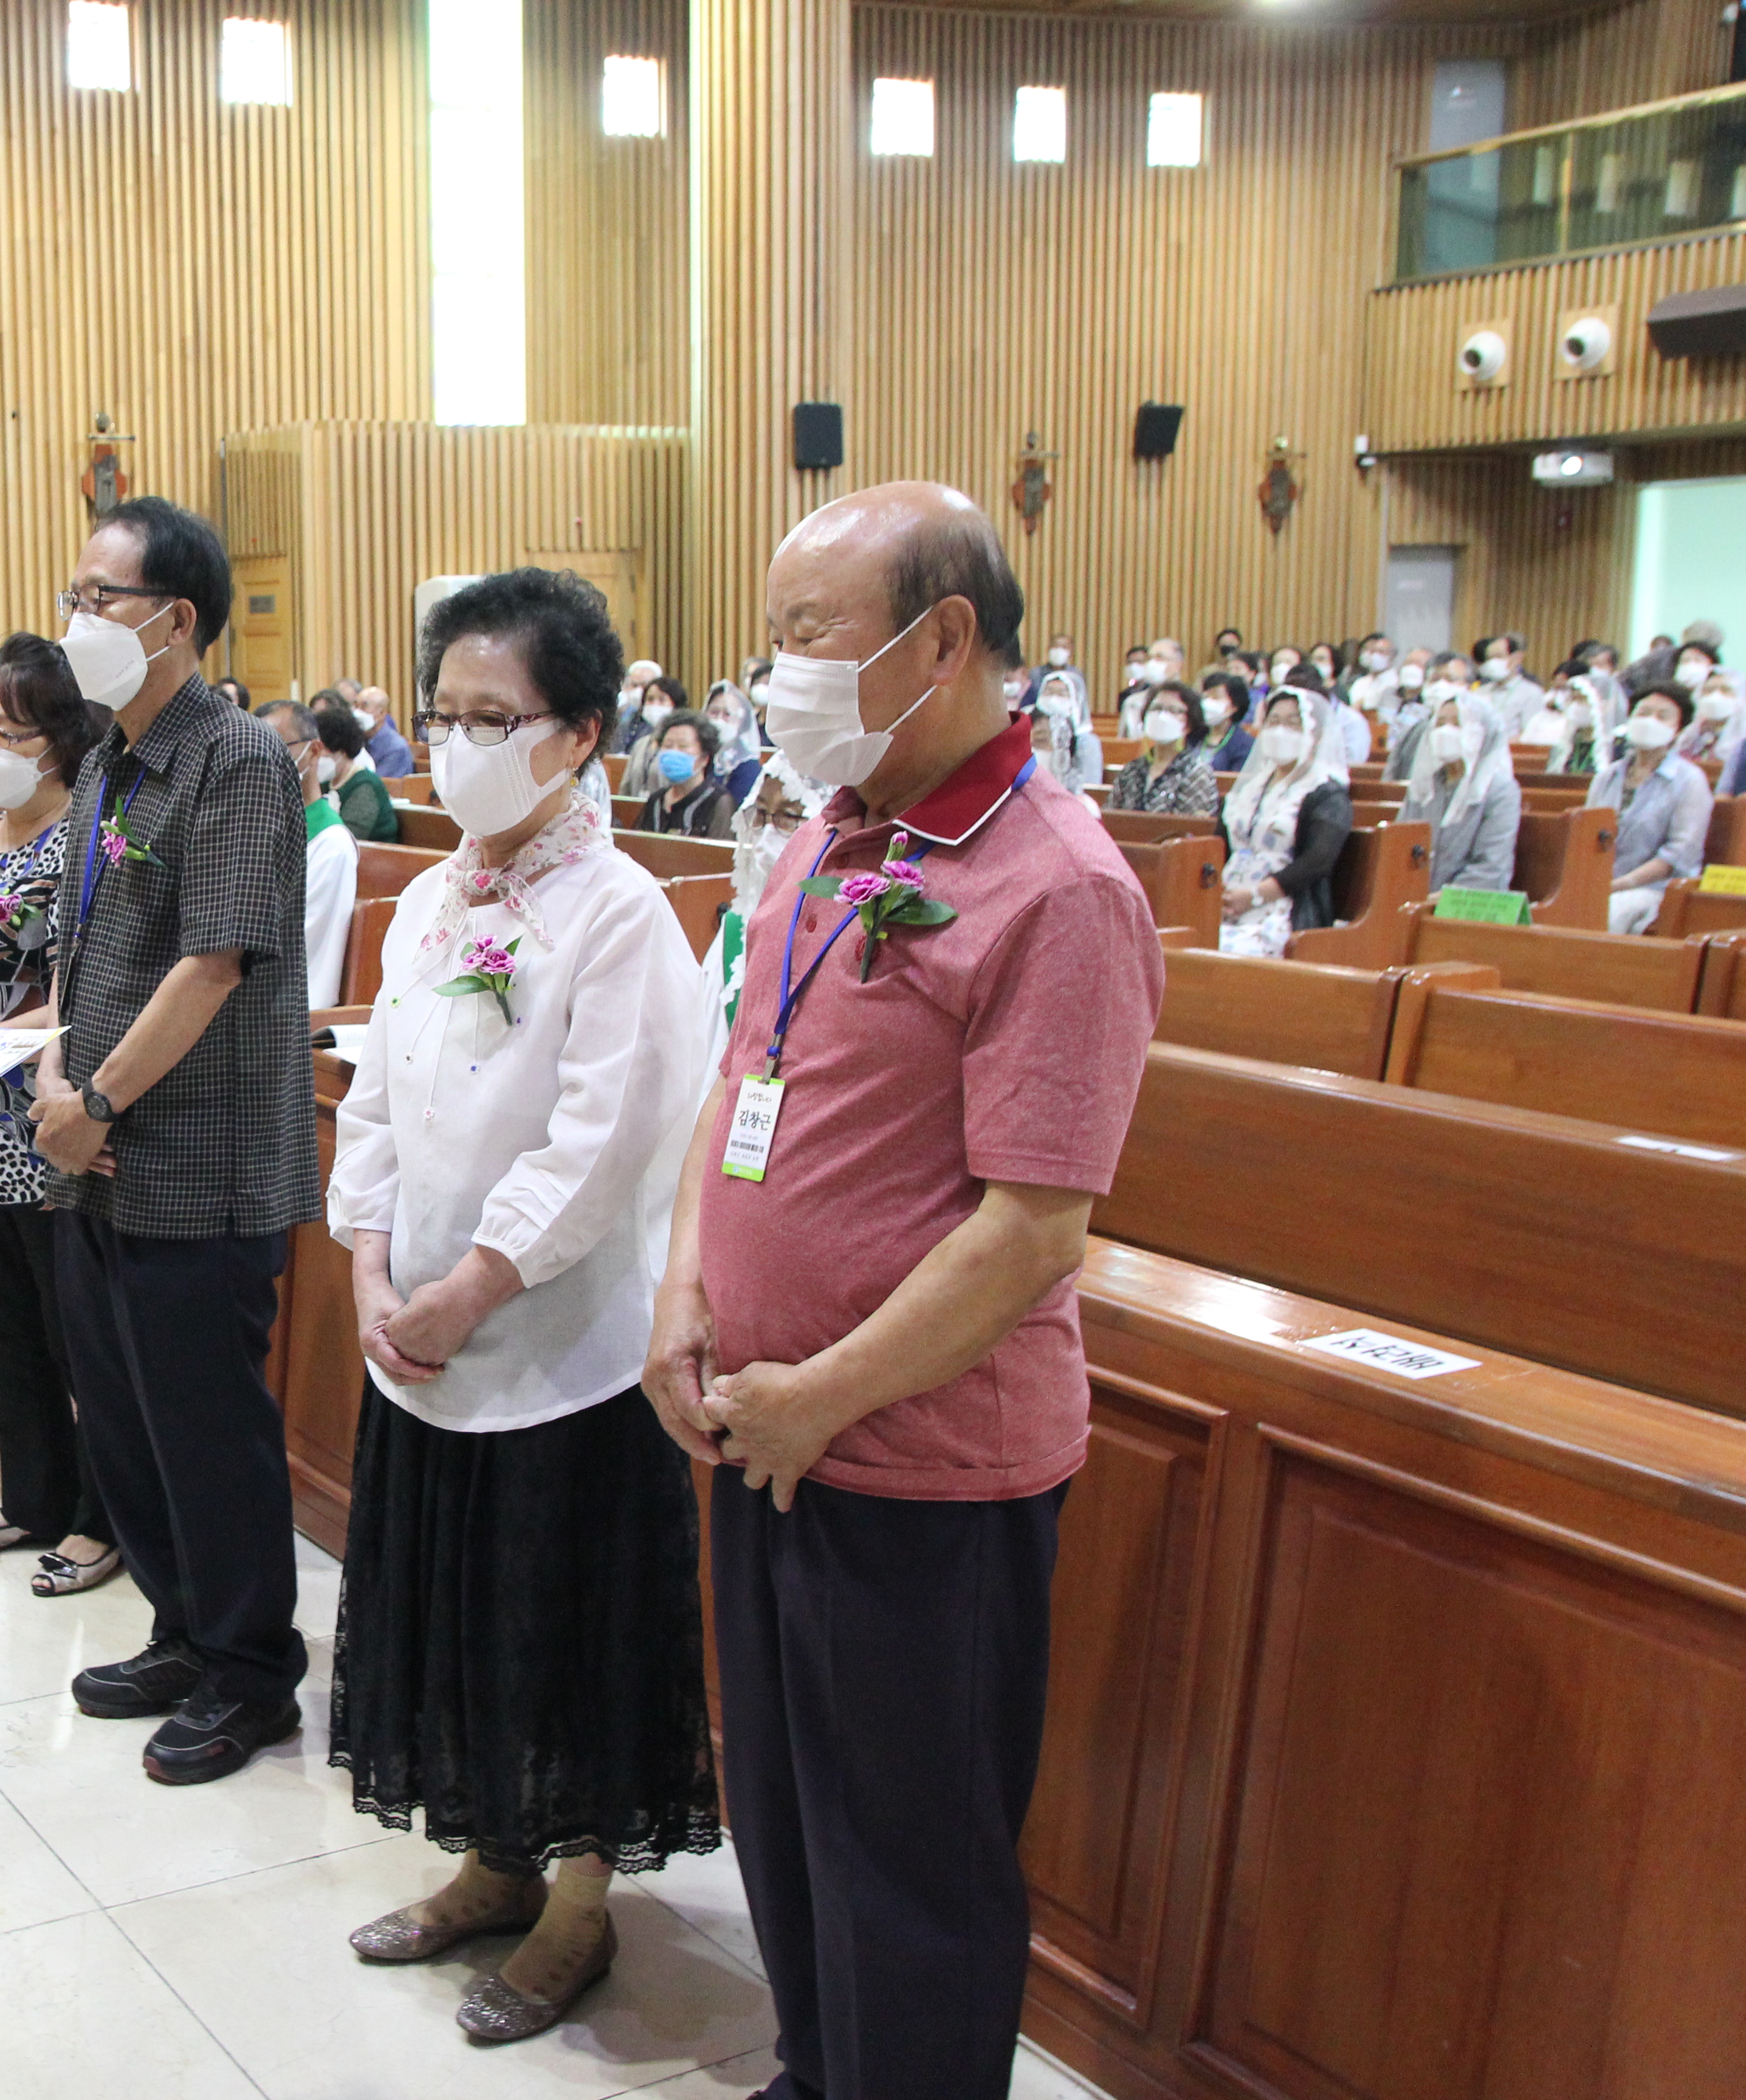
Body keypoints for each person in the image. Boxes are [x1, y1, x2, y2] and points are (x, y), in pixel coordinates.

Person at [648, 483, 1161, 2100]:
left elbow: (1029, 1231)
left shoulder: (1060, 887)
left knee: (912, 1869)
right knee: (791, 1824)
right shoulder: (834, 833)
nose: (776, 670)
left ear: (944, 641)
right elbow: (743, 1079)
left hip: (921, 1467)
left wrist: (824, 1393)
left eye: (809, 635)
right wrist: (683, 1289)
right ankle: (816, 2073)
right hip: (768, 1430)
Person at [325, 568, 718, 2047]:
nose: (459, 740)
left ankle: (574, 1900)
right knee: (454, 1617)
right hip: (420, 1331)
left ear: (580, 735)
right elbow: (370, 1087)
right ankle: (487, 1858)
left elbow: (604, 1138)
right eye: (444, 712)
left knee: (559, 1623)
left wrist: (471, 1284)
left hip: (554, 1346)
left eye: (497, 717)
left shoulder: (619, 912)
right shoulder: (429, 893)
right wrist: (370, 1266)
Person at [29, 496, 317, 1786]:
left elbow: (211, 965)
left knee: (208, 1429)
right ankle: (184, 1631)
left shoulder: (236, 760)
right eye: (77, 595)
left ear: (177, 619)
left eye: (102, 599)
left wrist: (94, 1104)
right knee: (128, 1423)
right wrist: (51, 1067)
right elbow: (81, 949)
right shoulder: (105, 759)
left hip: (192, 1163)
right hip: (97, 1154)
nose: (77, 619)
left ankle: (253, 1674)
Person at [0, 634, 120, 1594]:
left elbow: (90, 987)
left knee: (68, 1334)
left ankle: (99, 1517)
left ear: (58, 740)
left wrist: (0, 1041)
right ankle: (30, 1497)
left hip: (40, 1115)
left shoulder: (82, 839)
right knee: (5, 1327)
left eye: (7, 730)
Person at [1216, 688, 1353, 955]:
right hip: (1227, 899)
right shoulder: (1251, 787)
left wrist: (1255, 895)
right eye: (1274, 722)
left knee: (1223, 951)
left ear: (1314, 735)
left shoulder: (1325, 793)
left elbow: (1318, 861)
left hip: (1283, 908)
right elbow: (1220, 843)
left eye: (1293, 724)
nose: (1281, 731)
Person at [262, 699, 360, 1007]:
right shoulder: (260, 827)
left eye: (278, 748)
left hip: (290, 1009)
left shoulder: (331, 845)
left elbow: (302, 949)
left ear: (315, 751)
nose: (264, 762)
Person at [1590, 690, 1714, 933]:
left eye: (1662, 716)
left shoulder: (1689, 780)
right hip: (1600, 883)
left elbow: (1679, 855)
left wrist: (1620, 884)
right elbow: (1585, 832)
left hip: (1656, 890)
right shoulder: (1608, 776)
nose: (1650, 721)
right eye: (1644, 713)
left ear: (1678, 729)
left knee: (1606, 913)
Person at [1400, 689, 1521, 896]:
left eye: (1457, 724)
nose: (1446, 731)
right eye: (1440, 723)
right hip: (1414, 900)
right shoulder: (1426, 786)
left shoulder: (1500, 791)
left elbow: (1492, 868)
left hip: (1467, 907)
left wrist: (1438, 900)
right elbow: (1399, 844)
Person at [1107, 682, 1217, 815]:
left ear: (1189, 721)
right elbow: (1111, 814)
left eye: (1173, 711)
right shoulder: (1133, 769)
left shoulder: (1196, 773)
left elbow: (1191, 828)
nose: (1162, 716)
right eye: (1156, 708)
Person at [634, 710, 734, 837]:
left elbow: (719, 853)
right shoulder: (656, 801)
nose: (674, 752)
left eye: (683, 746)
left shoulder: (719, 802)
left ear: (704, 758)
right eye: (668, 746)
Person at [318, 699, 402, 841]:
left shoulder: (366, 784)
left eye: (323, 750)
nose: (318, 757)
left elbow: (349, 837)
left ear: (342, 751)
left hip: (374, 859)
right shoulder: (326, 782)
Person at [1200, 672, 1254, 775]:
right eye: (1206, 697)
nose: (1207, 703)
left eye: (1215, 697)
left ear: (1234, 706)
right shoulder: (1193, 736)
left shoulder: (1244, 744)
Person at [357, 684, 414, 777]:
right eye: (356, 706)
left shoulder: (396, 748)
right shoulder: (358, 740)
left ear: (382, 713)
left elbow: (379, 786)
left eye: (364, 707)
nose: (357, 712)